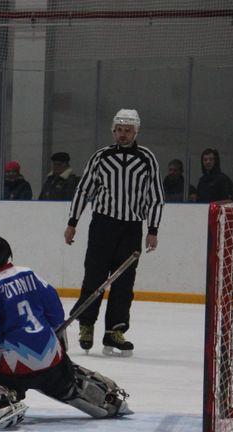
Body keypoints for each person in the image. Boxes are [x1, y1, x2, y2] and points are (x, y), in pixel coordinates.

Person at [0, 233, 131, 429]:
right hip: (52, 361)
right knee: (66, 380)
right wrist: (57, 348)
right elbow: (55, 314)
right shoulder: (29, 273)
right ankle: (105, 397)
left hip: (13, 370)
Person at [64, 108, 164, 356]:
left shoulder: (147, 158)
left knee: (123, 282)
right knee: (94, 276)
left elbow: (156, 197)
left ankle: (115, 332)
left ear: (136, 131)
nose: (123, 134)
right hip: (103, 225)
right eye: (119, 130)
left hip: (131, 228)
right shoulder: (101, 157)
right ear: (113, 130)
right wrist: (72, 222)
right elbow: (83, 190)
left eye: (128, 130)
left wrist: (152, 229)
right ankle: (86, 325)